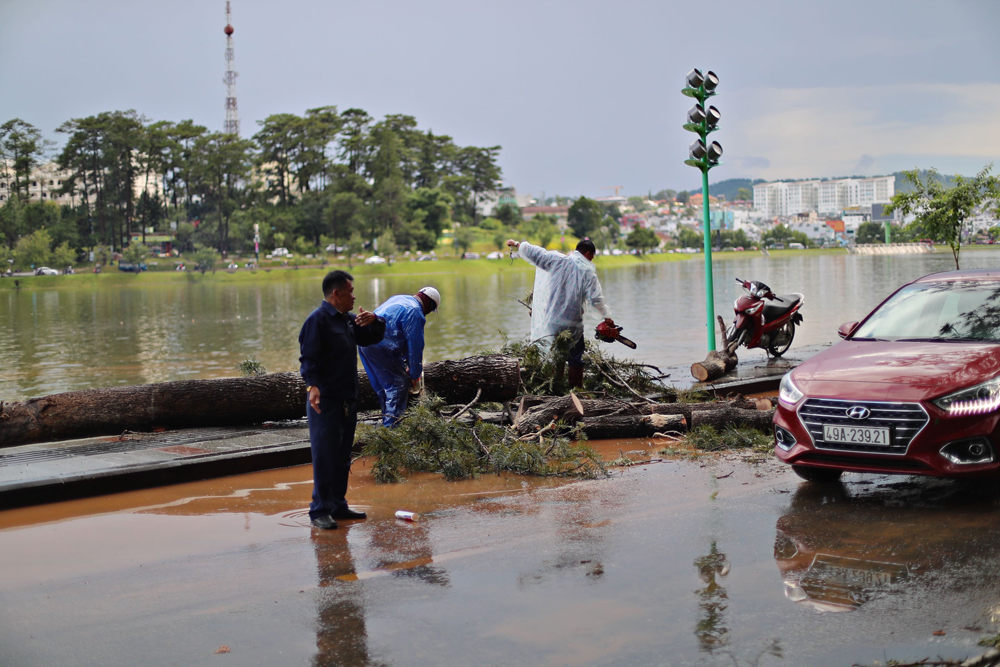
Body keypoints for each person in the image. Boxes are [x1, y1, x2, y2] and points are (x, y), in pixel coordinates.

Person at [299, 270, 386, 530]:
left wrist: (376, 320)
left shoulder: (348, 321)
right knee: (325, 456)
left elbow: (372, 338)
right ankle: (319, 511)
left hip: (348, 400)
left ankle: (338, 504)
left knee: (342, 456)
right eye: (350, 291)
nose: (354, 296)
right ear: (336, 294)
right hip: (325, 402)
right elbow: (308, 357)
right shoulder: (318, 321)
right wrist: (312, 385)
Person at [506, 237, 615, 388]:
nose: (591, 260)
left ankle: (555, 387)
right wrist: (607, 317)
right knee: (575, 358)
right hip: (572, 325)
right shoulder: (588, 273)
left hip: (552, 321)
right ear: (588, 253)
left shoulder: (557, 260)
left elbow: (535, 252)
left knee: (555, 356)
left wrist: (517, 244)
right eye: (592, 256)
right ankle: (575, 391)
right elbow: (596, 300)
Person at [359, 287, 440, 427]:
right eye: (430, 310)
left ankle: (386, 423)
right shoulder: (415, 312)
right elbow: (415, 346)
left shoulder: (400, 298)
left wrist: (405, 363)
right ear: (429, 305)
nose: (428, 314)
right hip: (381, 346)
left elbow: (395, 330)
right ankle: (392, 432)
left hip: (364, 342)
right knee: (398, 385)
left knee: (383, 388)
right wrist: (414, 373)